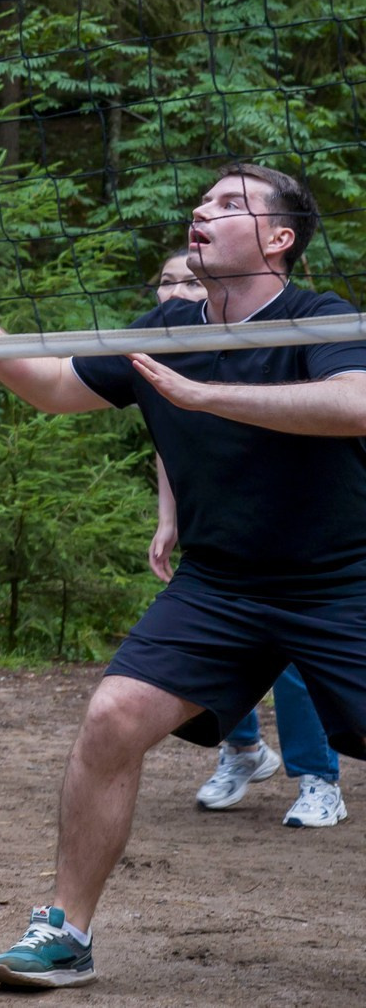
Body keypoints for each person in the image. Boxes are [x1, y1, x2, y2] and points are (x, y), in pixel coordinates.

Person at [0, 163, 366, 991]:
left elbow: (356, 401)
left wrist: (204, 394)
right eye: (201, 200)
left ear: (279, 238)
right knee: (114, 715)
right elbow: (53, 387)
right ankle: (65, 933)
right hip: (221, 584)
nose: (203, 210)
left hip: (344, 579)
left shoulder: (324, 318)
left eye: (229, 204)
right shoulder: (165, 326)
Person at [141, 251, 349, 831]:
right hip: (222, 548)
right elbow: (170, 446)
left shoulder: (286, 334)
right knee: (211, 655)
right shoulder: (166, 348)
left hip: (302, 549)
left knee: (292, 666)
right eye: (167, 281)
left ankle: (318, 779)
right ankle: (244, 752)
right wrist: (167, 519)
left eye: (189, 279)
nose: (177, 290)